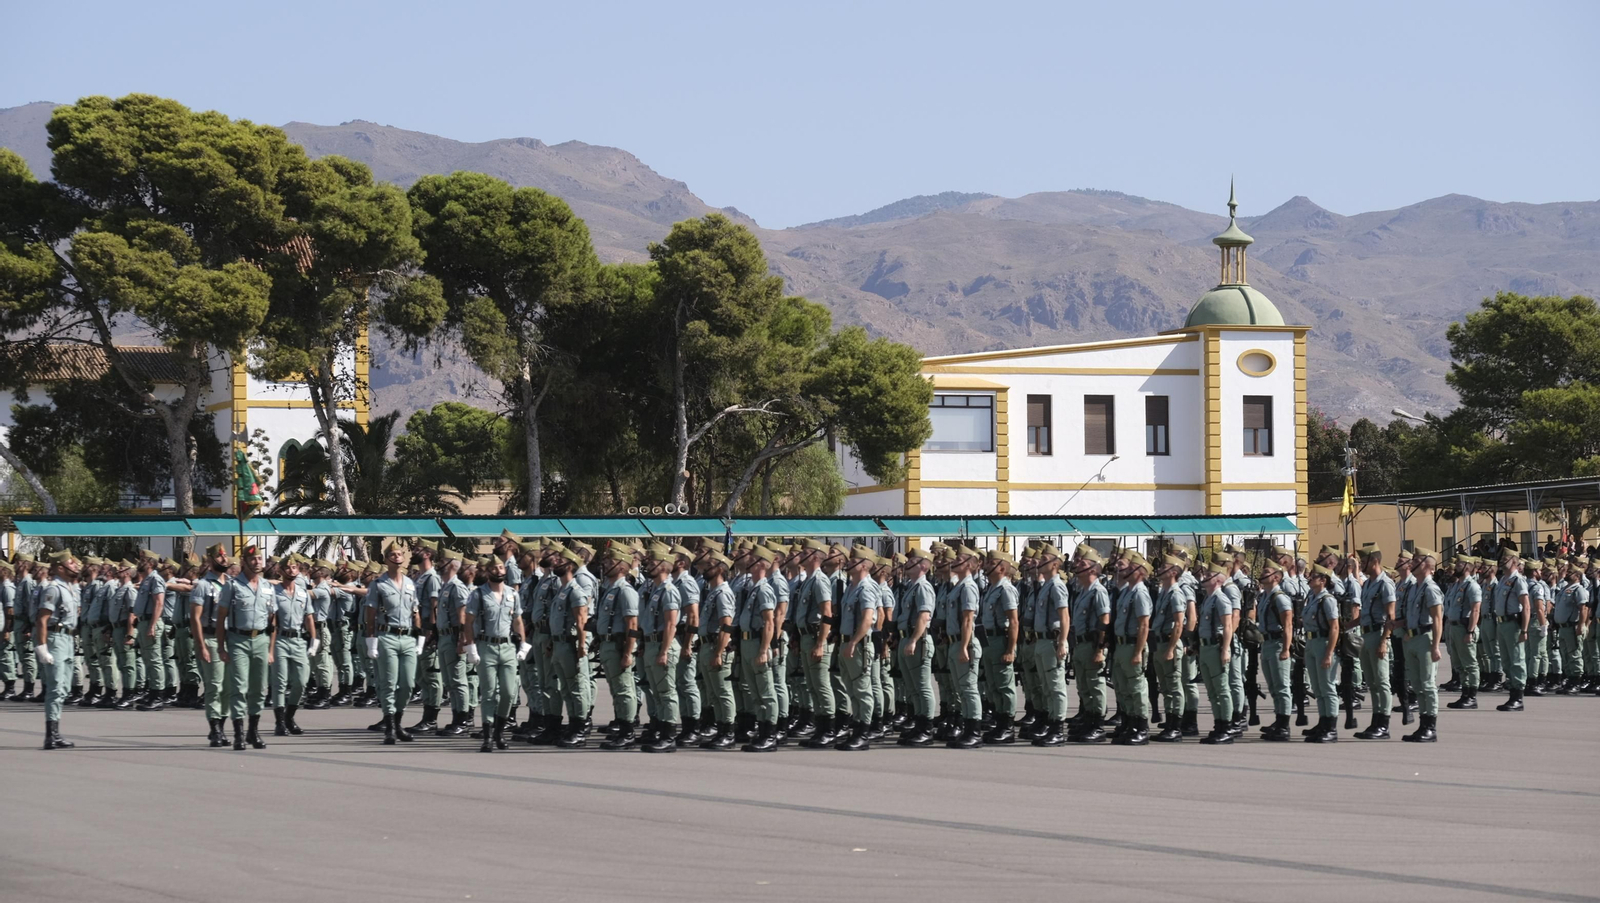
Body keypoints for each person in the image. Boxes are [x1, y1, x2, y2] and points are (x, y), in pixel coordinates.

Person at [216, 544, 275, 751]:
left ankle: (253, 731)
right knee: (239, 687)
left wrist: (270, 650)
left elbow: (272, 621)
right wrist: (221, 648)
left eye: (259, 558)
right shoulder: (232, 586)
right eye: (253, 559)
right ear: (244, 562)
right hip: (238, 640)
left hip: (261, 640)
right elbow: (221, 618)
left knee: (259, 688)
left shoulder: (268, 586)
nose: (257, 562)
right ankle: (239, 733)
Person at [463, 557, 527, 752]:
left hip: (507, 647)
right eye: (495, 568)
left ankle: (500, 730)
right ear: (488, 571)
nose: (499, 570)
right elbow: (468, 622)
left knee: (509, 692)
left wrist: (523, 643)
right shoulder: (479, 595)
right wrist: (471, 647)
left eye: (501, 567)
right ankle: (488, 735)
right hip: (486, 646)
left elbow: (517, 620)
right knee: (489, 692)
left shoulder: (512, 594)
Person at [365, 539, 424, 743]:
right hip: (386, 636)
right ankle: (390, 725)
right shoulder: (378, 584)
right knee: (388, 683)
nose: (397, 557)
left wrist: (421, 637)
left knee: (408, 684)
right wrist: (371, 641)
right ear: (386, 559)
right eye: (393, 555)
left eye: (400, 554)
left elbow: (415, 610)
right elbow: (370, 615)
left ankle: (398, 721)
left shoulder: (410, 583)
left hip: (407, 637)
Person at [594, 549, 642, 750]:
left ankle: (627, 731)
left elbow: (632, 625)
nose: (605, 564)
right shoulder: (612, 589)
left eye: (610, 561)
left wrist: (628, 653)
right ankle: (621, 726)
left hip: (618, 645)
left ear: (622, 566)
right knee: (616, 690)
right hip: (608, 645)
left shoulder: (625, 590)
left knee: (624, 690)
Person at [835, 547, 882, 751]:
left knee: (863, 690)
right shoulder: (851, 586)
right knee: (852, 689)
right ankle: (856, 728)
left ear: (863, 564)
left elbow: (867, 618)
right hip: (847, 642)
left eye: (853, 559)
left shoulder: (866, 588)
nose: (849, 561)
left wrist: (853, 642)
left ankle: (863, 732)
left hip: (859, 645)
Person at [546, 549, 594, 748]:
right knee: (566, 689)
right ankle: (572, 724)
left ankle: (580, 728)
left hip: (570, 644)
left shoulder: (575, 591)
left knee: (577, 688)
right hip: (558, 644)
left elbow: (581, 621)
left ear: (571, 565)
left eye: (561, 560)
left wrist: (582, 646)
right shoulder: (563, 590)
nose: (556, 562)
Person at [638, 543, 683, 752]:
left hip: (662, 645)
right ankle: (660, 731)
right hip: (651, 644)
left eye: (654, 562)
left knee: (667, 693)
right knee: (657, 693)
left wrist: (664, 651)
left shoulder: (669, 590)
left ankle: (669, 735)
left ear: (664, 566)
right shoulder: (656, 589)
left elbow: (671, 623)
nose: (650, 566)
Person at [35, 555, 82, 749]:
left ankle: (55, 732)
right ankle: (51, 735)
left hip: (69, 638)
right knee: (55, 687)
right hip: (56, 639)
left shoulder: (72, 588)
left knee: (64, 688)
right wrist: (42, 647)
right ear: (60, 568)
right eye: (71, 563)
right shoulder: (54, 588)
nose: (76, 566)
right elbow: (42, 619)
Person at [695, 551, 738, 750]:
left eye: (709, 566)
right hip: (707, 645)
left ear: (720, 569)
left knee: (723, 692)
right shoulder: (713, 591)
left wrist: (719, 653)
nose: (705, 569)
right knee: (714, 693)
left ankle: (728, 732)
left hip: (716, 646)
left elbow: (726, 626)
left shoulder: (723, 593)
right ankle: (720, 729)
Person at [1068, 547, 1111, 743]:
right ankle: (1088, 719)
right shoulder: (1083, 590)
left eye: (1083, 565)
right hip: (1080, 644)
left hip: (1093, 645)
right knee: (1084, 686)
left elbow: (1104, 620)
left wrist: (1100, 649)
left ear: (1094, 569)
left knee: (1095, 685)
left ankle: (1097, 725)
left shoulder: (1098, 591)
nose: (1078, 567)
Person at [1109, 552, 1152, 745]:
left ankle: (1141, 727)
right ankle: (1128, 723)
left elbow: (1144, 625)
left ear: (1140, 573)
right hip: (1121, 644)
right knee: (1122, 687)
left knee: (1136, 688)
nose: (1125, 570)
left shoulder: (1140, 593)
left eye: (1130, 568)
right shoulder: (1127, 591)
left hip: (1133, 644)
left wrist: (1138, 651)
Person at [190, 545, 231, 747]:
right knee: (215, 685)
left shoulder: (232, 584)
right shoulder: (203, 585)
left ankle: (222, 725)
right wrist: (202, 645)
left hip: (231, 639)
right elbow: (195, 618)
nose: (224, 559)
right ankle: (215, 728)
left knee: (229, 687)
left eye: (225, 556)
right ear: (210, 560)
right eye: (219, 557)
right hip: (211, 638)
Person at [1400, 548, 1443, 742]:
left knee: (1427, 684)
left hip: (1425, 640)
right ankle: (1422, 724)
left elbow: (1437, 619)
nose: (1412, 563)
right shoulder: (1413, 587)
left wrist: (1435, 646)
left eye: (1416, 560)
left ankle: (1430, 727)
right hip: (1412, 639)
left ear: (1426, 564)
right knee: (1417, 685)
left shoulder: (1430, 588)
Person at [977, 550, 1020, 745]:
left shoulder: (1005, 589)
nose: (986, 565)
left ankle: (1007, 726)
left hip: (1001, 640)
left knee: (1004, 685)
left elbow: (1013, 621)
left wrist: (1010, 650)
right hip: (989, 640)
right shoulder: (991, 589)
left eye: (991, 562)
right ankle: (999, 720)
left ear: (1002, 568)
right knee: (993, 684)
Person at [271, 556, 317, 737]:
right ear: (280, 571)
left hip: (298, 640)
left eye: (294, 568)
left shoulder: (303, 592)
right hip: (280, 639)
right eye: (288, 568)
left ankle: (289, 717)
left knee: (301, 681)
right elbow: (272, 620)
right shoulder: (274, 591)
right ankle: (280, 722)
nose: (291, 571)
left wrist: (314, 640)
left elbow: (309, 617)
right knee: (280, 682)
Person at [944, 545, 984, 749]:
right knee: (961, 689)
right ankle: (967, 727)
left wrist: (964, 646)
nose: (954, 560)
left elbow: (968, 620)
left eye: (959, 558)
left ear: (968, 564)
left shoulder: (968, 587)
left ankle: (974, 731)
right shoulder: (958, 586)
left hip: (964, 642)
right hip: (955, 642)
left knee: (969, 689)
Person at [1354, 546, 1396, 740]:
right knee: (1371, 682)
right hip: (1366, 634)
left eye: (1364, 562)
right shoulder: (1368, 584)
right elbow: (1363, 614)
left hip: (1378, 634)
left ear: (1375, 562)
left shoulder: (1385, 584)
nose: (1361, 565)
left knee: (1381, 681)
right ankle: (1375, 720)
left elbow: (1391, 616)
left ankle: (1383, 724)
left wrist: (1384, 641)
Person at [1194, 562, 1235, 744]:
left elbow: (1227, 626)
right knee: (1211, 691)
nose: (1205, 576)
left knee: (1222, 689)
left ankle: (1226, 727)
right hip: (1205, 648)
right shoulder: (1207, 598)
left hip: (1216, 647)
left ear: (1218, 580)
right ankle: (1218, 724)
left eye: (1209, 574)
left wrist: (1225, 649)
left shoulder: (1221, 599)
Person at [1256, 559, 1295, 741]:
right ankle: (1279, 720)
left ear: (1277, 577)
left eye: (1267, 572)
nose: (1263, 575)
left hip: (1278, 643)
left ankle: (1284, 725)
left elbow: (1288, 625)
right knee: (1273, 686)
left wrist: (1286, 649)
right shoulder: (1264, 596)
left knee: (1282, 686)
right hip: (1266, 643)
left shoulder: (1279, 597)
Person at [1303, 564, 1342, 742]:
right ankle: (1323, 722)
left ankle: (1331, 728)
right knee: (1318, 687)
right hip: (1311, 642)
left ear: (1323, 580)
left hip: (1323, 642)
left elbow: (1335, 627)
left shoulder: (1327, 599)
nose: (1309, 578)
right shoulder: (1313, 597)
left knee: (1327, 686)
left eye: (1313, 576)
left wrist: (1329, 653)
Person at [1492, 551, 1531, 712]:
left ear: (1514, 562)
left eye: (1505, 559)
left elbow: (1526, 606)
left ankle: (1518, 697)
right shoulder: (1502, 579)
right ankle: (1512, 692)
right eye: (1502, 558)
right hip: (1502, 623)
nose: (1502, 561)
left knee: (1516, 660)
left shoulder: (1518, 581)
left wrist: (1524, 629)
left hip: (1513, 624)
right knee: (1506, 661)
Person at [132, 554, 169, 711]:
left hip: (150, 622)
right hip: (143, 621)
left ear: (151, 564)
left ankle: (158, 696)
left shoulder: (155, 579)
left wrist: (152, 625)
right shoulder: (146, 580)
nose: (139, 562)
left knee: (154, 661)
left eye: (143, 560)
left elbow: (159, 602)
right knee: (148, 660)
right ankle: (152, 692)